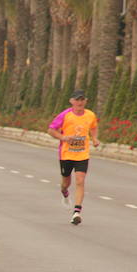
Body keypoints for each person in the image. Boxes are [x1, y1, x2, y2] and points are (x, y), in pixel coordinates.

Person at [47, 89, 99, 225]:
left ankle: (77, 212)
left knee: (80, 181)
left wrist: (94, 139)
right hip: (66, 154)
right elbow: (51, 129)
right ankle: (64, 193)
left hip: (82, 154)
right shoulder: (65, 115)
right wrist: (63, 137)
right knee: (66, 183)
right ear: (71, 101)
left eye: (82, 99)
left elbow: (93, 127)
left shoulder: (90, 115)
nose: (80, 102)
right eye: (77, 100)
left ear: (86, 101)